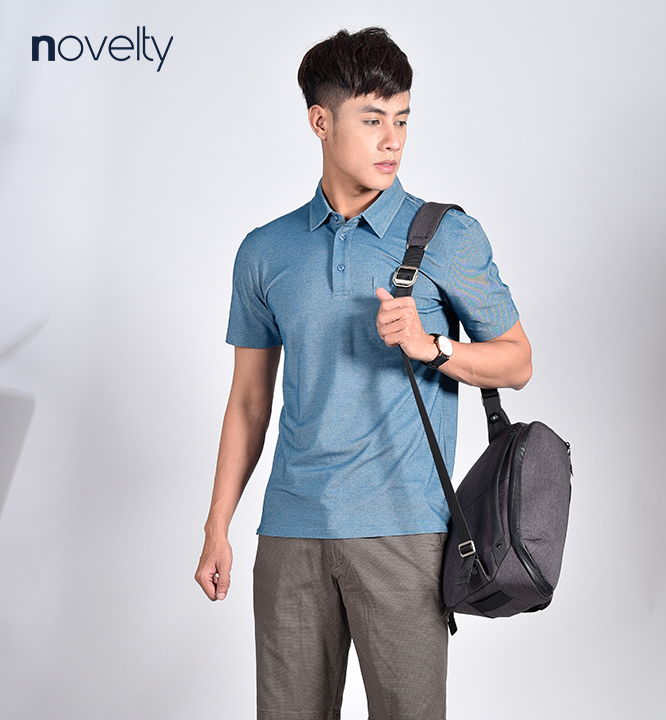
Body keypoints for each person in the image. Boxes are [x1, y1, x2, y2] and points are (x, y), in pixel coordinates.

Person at [195, 26, 532, 720]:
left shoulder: (447, 235)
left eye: (402, 120)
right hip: (290, 532)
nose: (392, 141)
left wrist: (433, 347)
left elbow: (518, 361)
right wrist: (217, 525)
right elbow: (249, 402)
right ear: (321, 122)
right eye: (373, 120)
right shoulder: (266, 251)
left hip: (405, 533)